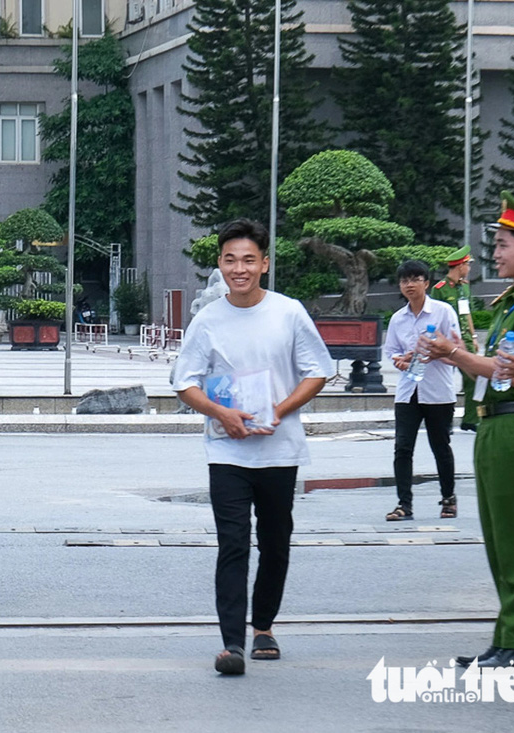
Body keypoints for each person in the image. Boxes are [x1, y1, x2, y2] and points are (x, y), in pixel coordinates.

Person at [171, 218, 333, 676]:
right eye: (229, 260)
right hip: (228, 452)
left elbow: (318, 371)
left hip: (279, 450)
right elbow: (184, 383)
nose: (238, 269)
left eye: (248, 260)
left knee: (276, 542)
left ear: (264, 263)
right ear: (219, 264)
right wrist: (220, 413)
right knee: (233, 544)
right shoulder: (207, 319)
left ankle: (263, 626)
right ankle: (232, 644)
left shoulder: (288, 312)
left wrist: (279, 410)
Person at [422, 191, 514, 674]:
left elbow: (510, 374)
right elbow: (499, 368)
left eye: (503, 245)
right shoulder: (512, 304)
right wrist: (456, 353)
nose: (495, 253)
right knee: (504, 539)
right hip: (500, 422)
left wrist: (453, 355)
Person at [383, 259, 461, 522]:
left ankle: (448, 499)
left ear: (426, 283)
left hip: (438, 391)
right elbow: (391, 352)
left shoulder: (442, 312)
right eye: (405, 280)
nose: (409, 285)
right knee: (402, 448)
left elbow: (456, 352)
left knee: (440, 445)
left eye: (415, 279)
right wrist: (400, 360)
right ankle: (404, 504)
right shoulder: (397, 319)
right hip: (407, 391)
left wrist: (433, 354)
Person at [431, 245, 480, 430]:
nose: (469, 269)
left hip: (465, 340)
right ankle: (445, 420)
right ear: (460, 266)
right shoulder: (440, 289)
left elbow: (467, 314)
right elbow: (435, 317)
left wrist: (473, 336)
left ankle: (470, 419)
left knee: (473, 377)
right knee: (445, 380)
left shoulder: (463, 288)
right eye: (468, 265)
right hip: (447, 340)